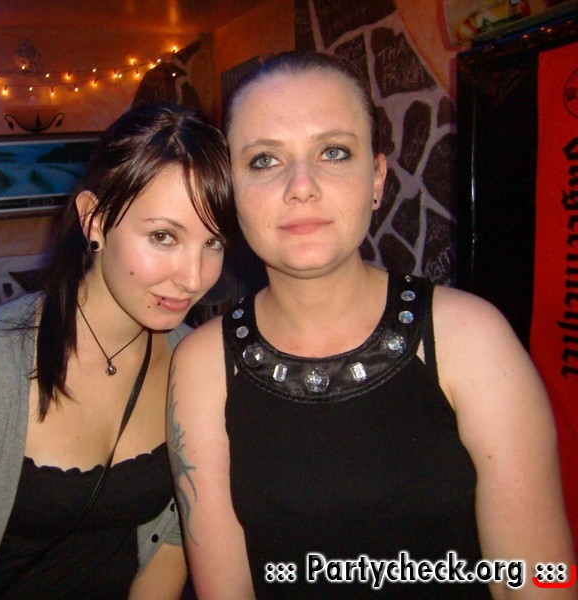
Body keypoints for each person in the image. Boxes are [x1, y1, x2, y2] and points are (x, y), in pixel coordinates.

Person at [167, 51, 576, 599]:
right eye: (264, 160)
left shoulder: (473, 339)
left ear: (377, 178)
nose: (301, 185)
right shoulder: (201, 365)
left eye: (334, 152)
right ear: (231, 189)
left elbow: (544, 582)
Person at [0, 102, 237, 599]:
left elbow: (171, 539)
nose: (193, 277)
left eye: (213, 242)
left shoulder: (196, 361)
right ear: (94, 220)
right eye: (164, 236)